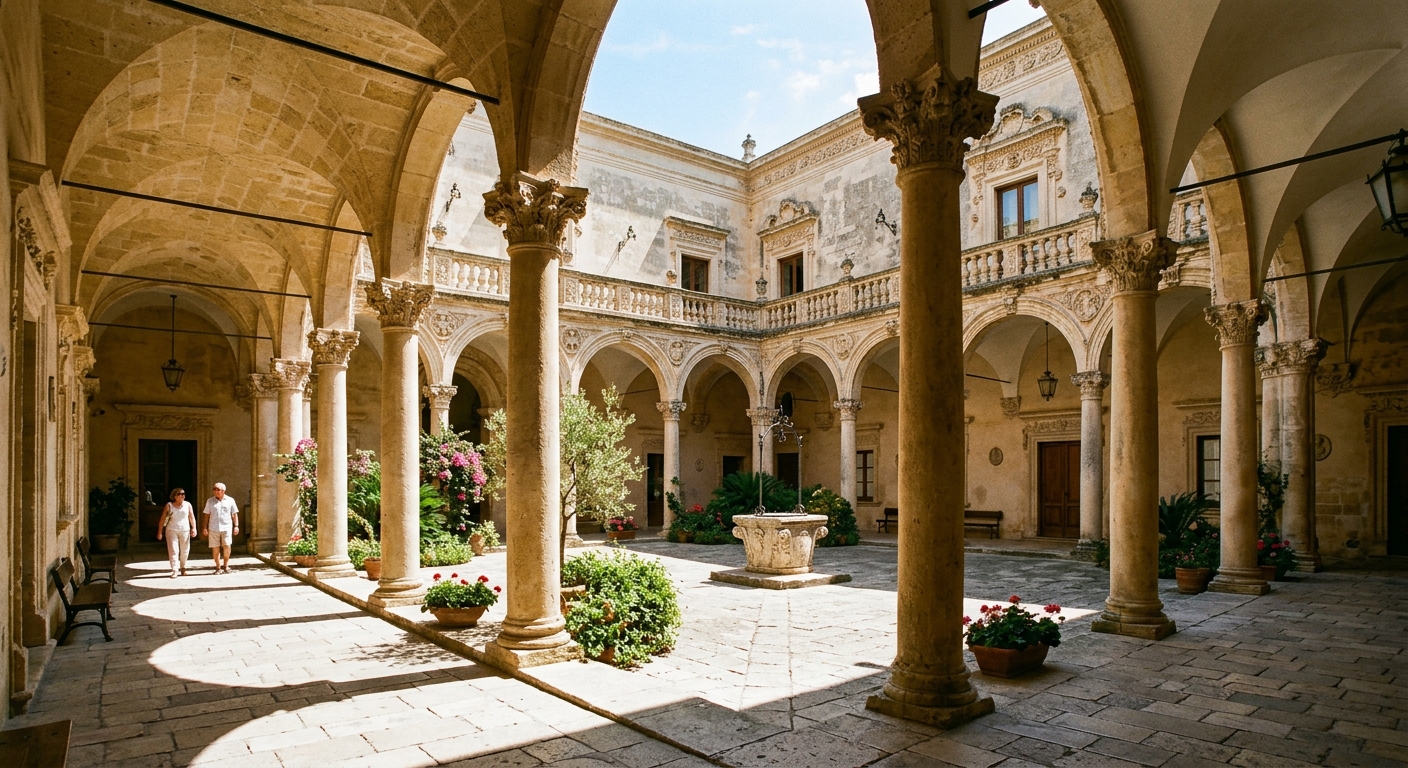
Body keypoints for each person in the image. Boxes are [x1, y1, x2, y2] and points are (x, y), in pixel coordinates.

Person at [156, 488, 197, 578]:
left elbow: (191, 516)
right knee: (173, 550)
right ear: (174, 496)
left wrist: (194, 528)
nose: (182, 495)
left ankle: (183, 567)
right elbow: (163, 519)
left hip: (185, 530)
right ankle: (175, 569)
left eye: (183, 494)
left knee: (185, 550)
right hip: (171, 530)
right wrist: (160, 532)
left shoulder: (187, 505)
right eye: (179, 494)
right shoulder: (169, 505)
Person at [202, 483, 240, 574]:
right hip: (213, 527)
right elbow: (207, 515)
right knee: (215, 547)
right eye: (214, 489)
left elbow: (234, 514)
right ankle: (218, 567)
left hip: (226, 527)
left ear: (223, 491)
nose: (215, 491)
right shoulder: (210, 501)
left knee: (227, 546)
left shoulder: (230, 500)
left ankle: (226, 565)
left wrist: (236, 526)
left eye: (217, 489)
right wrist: (204, 527)